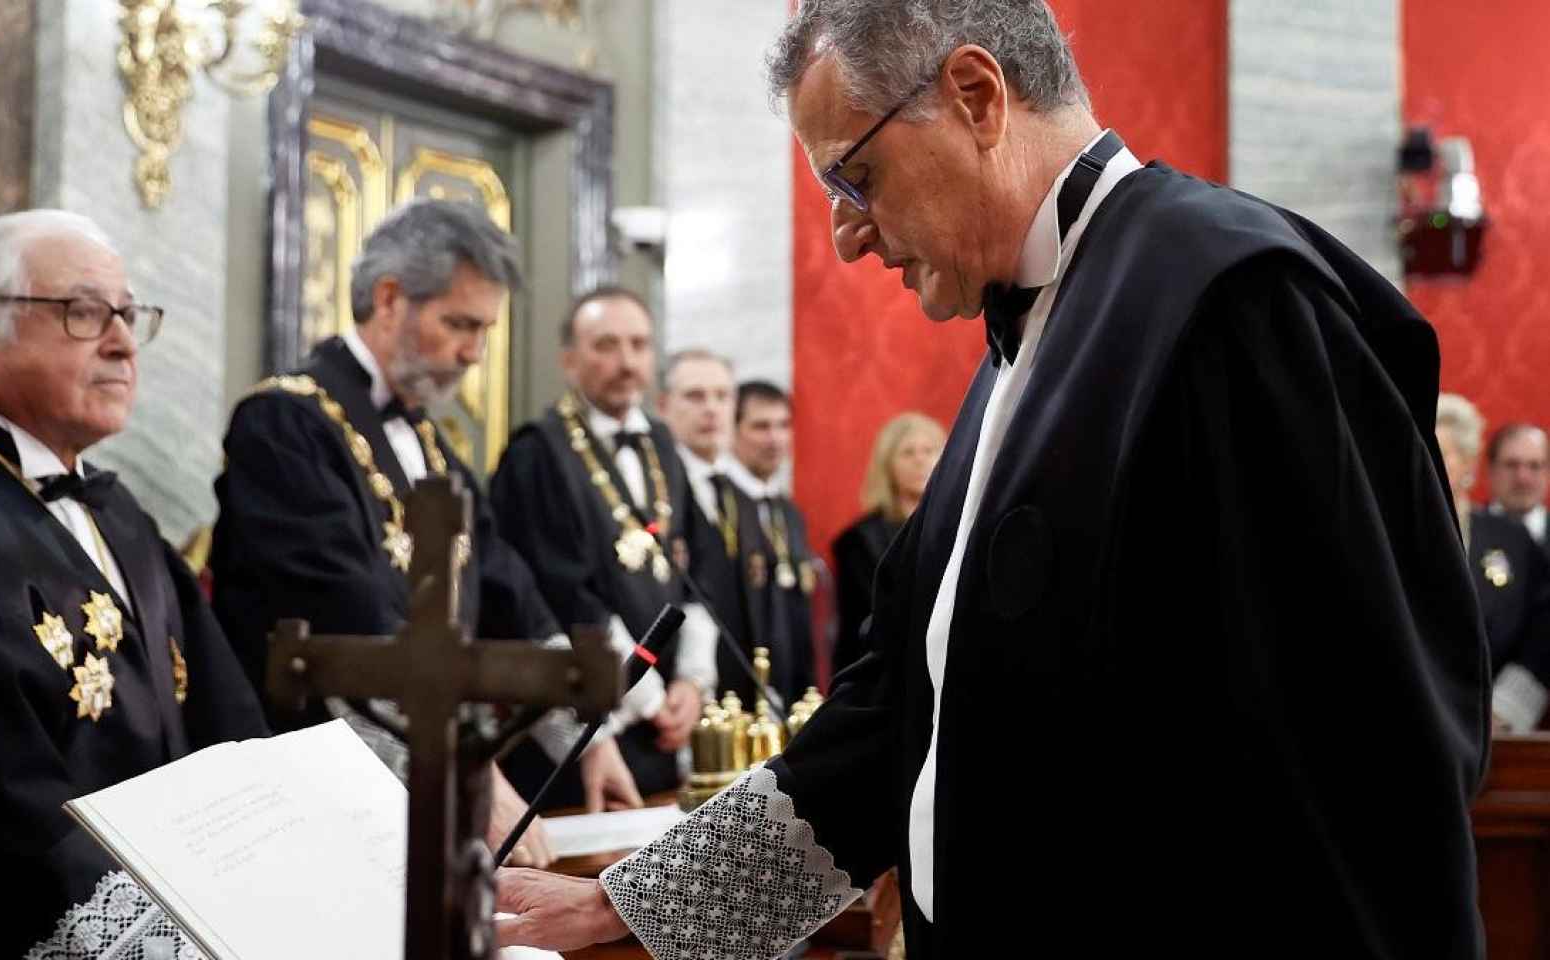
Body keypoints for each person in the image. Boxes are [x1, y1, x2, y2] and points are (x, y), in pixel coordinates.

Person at [495, 3, 1490, 957]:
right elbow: (893, 718)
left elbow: (1368, 776)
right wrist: (637, 909)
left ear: (976, 96)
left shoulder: (1229, 302)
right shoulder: (1022, 350)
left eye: (856, 177)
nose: (846, 233)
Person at [0, 210, 268, 956]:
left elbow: (227, 720)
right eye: (82, 312)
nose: (123, 343)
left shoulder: (121, 511)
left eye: (129, 315)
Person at [209, 200, 641, 858]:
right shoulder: (284, 422)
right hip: (312, 786)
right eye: (458, 324)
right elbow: (345, 617)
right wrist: (465, 775)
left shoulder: (435, 446)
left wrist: (589, 736)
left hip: (426, 780)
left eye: (484, 330)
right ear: (389, 299)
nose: (473, 352)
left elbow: (509, 591)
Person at [490, 288, 720, 805]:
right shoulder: (537, 453)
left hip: (665, 729)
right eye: (606, 346)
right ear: (569, 360)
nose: (626, 361)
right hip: (587, 724)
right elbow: (559, 593)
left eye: (639, 345)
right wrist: (649, 695)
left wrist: (691, 684)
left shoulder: (663, 445)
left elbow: (699, 571)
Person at [657, 349, 773, 703]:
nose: (711, 408)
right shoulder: (657, 489)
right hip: (676, 693)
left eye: (722, 396)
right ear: (663, 405)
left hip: (740, 696)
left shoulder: (741, 495)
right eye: (695, 396)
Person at [1438, 395, 1550, 732]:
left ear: (1469, 464)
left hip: (1494, 727)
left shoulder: (1511, 539)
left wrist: (1503, 712)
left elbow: (1541, 633)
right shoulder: (1383, 530)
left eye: (1439, 452)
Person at [723, 381, 818, 703]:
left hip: (790, 688)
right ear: (733, 429)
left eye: (783, 425)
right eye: (761, 426)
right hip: (736, 692)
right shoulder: (719, 504)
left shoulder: (789, 512)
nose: (775, 438)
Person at [831, 412, 945, 676]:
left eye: (929, 450)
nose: (920, 459)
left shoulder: (958, 527)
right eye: (907, 452)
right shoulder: (858, 541)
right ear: (887, 466)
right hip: (881, 671)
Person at [1485, 423, 1548, 544]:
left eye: (1535, 466)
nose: (1523, 478)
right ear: (1491, 470)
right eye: (1511, 465)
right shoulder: (1464, 531)